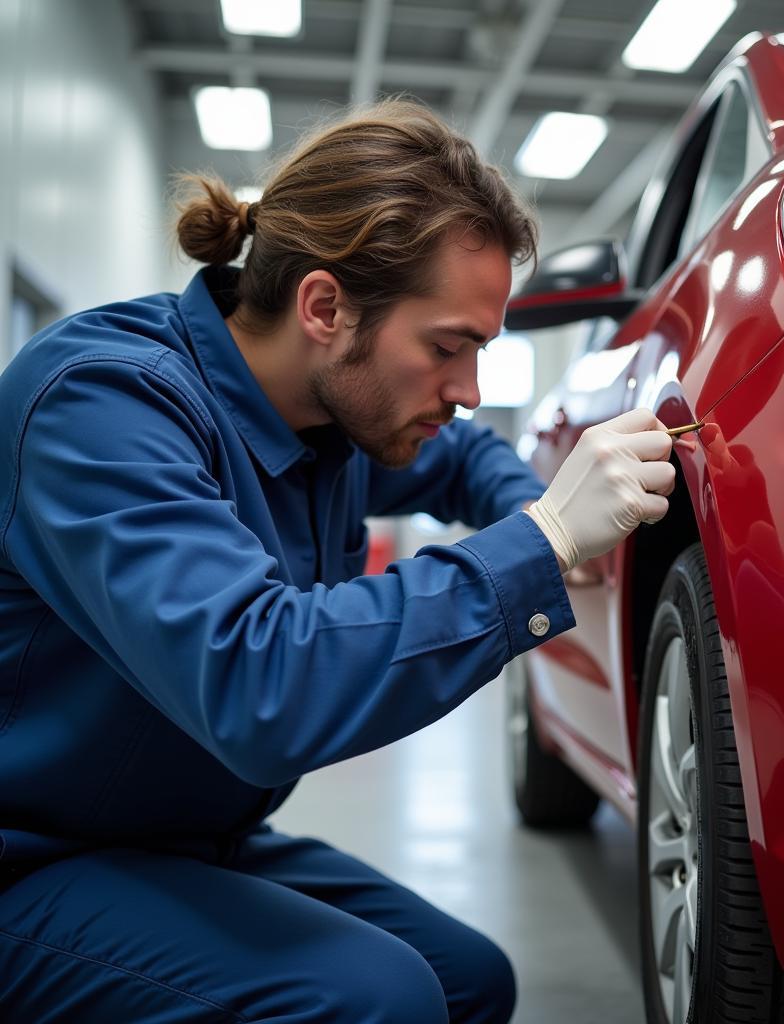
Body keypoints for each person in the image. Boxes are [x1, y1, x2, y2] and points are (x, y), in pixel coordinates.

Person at [0, 100, 674, 1022]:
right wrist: (545, 541)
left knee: (469, 979)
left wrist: (523, 501)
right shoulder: (104, 405)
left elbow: (466, 458)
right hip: (31, 855)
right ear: (325, 307)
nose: (469, 392)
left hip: (178, 835)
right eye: (448, 347)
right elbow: (259, 681)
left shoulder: (332, 415)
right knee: (375, 999)